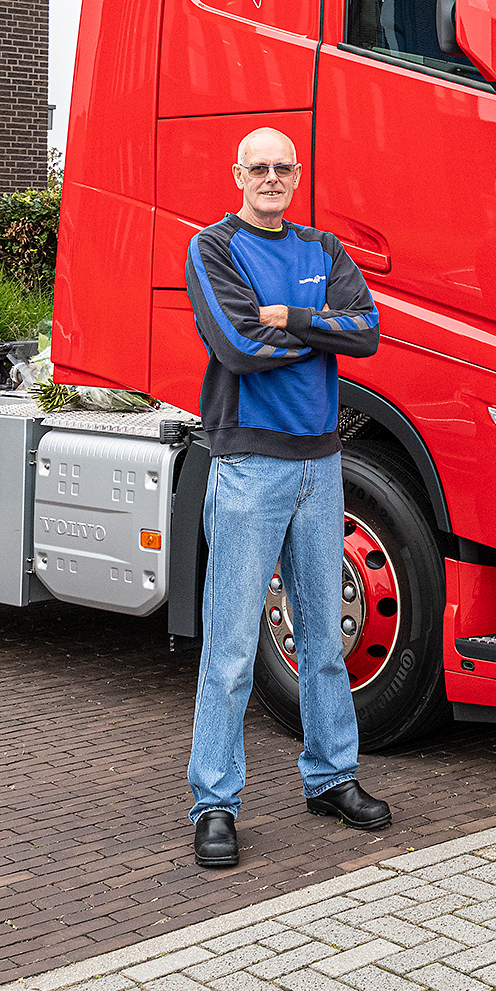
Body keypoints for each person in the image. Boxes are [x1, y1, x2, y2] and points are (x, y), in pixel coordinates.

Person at [181, 127, 388, 869]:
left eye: (283, 168)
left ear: (297, 176)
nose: (271, 178)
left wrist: (292, 318)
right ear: (237, 174)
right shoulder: (213, 248)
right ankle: (214, 803)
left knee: (324, 640)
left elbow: (366, 333)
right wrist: (320, 331)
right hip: (250, 465)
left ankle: (331, 778)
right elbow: (238, 347)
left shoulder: (323, 249)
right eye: (258, 167)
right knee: (232, 647)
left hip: (320, 465)